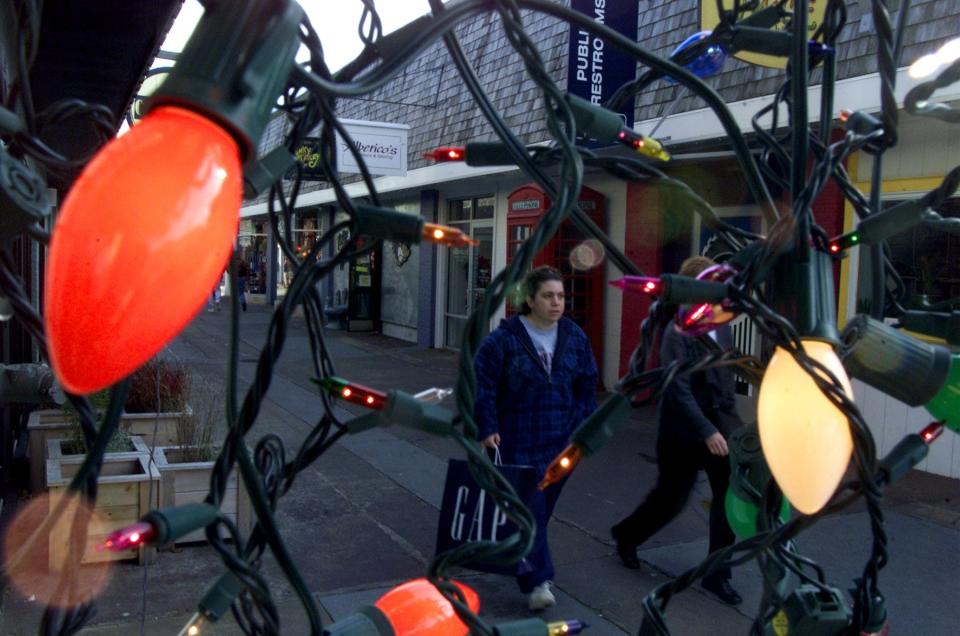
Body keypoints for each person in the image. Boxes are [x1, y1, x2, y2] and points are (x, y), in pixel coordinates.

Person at [610, 255, 744, 606]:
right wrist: (706, 430)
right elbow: (677, 387)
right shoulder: (677, 330)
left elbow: (725, 371)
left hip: (720, 423)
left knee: (727, 501)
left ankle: (718, 575)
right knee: (671, 499)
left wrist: (729, 419)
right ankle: (627, 535)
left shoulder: (722, 322)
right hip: (683, 430)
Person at [474, 266, 598, 611]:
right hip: (515, 440)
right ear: (529, 300)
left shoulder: (574, 336)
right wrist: (486, 426)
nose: (557, 302)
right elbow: (482, 385)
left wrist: (583, 424)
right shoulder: (502, 340)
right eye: (548, 295)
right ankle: (538, 582)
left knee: (539, 511)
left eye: (560, 295)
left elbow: (587, 382)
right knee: (533, 513)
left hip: (561, 441)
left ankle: (521, 554)